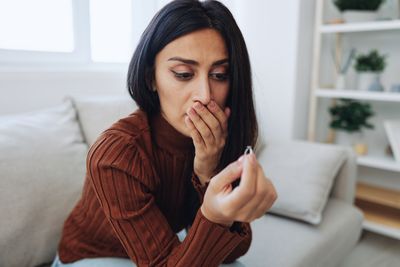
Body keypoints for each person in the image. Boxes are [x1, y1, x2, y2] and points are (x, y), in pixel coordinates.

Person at [51, 0, 277, 266]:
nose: (205, 96)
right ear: (151, 78)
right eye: (183, 74)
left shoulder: (221, 137)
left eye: (218, 74)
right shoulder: (116, 154)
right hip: (93, 256)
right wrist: (213, 215)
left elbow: (233, 252)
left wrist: (207, 171)